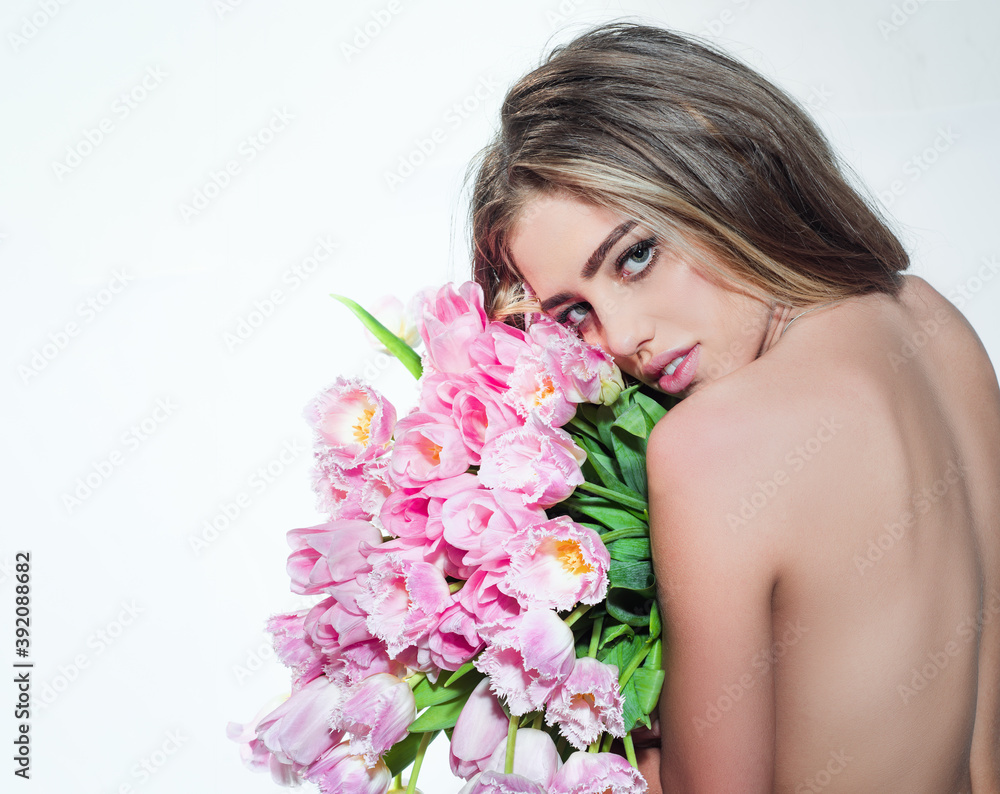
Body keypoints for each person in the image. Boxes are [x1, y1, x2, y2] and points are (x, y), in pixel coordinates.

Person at [466, 22, 1000, 793]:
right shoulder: (933, 321)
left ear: (723, 172)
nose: (624, 337)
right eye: (575, 312)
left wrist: (577, 722)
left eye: (637, 255)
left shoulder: (711, 447)